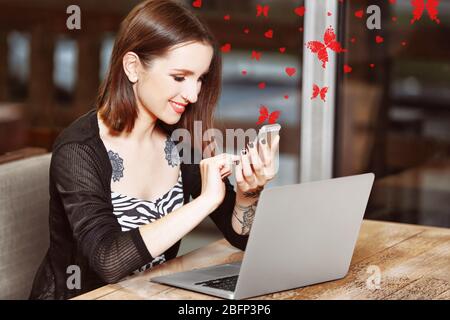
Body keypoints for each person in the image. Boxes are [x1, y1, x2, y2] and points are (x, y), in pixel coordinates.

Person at [29, 0, 280, 300]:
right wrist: (205, 201)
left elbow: (241, 237)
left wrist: (246, 196)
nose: (193, 94)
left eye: (200, 79)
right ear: (133, 67)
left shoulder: (182, 141)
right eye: (179, 77)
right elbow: (108, 261)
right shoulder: (78, 150)